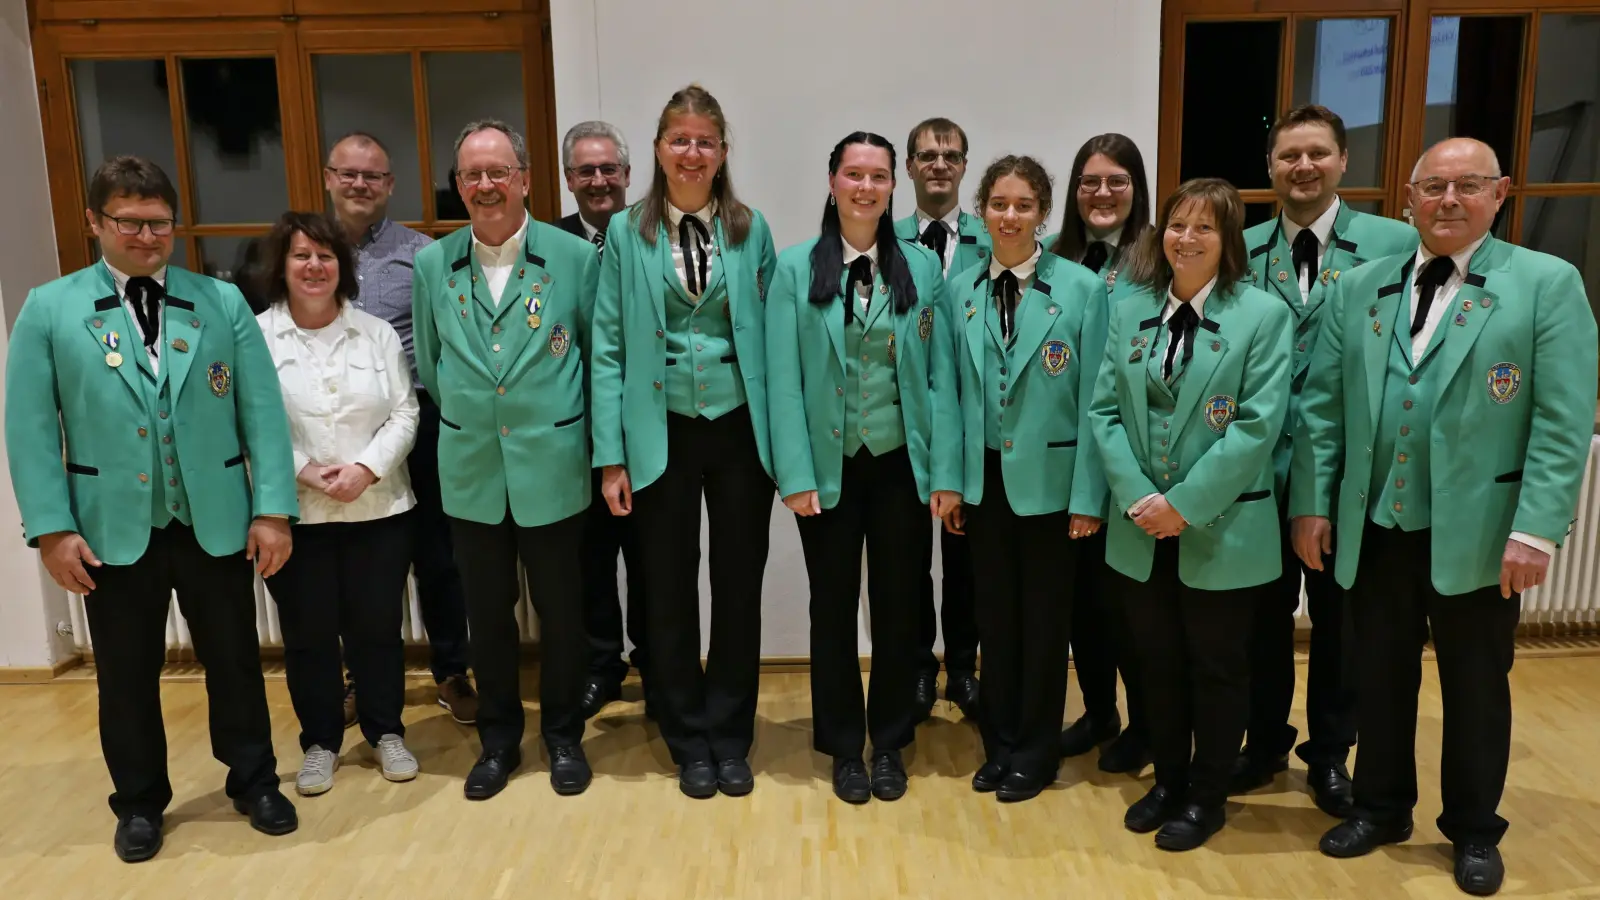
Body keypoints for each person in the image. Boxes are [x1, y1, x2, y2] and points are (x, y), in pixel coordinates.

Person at [1294, 137, 1597, 896]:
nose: (1449, 200)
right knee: (1378, 676)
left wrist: (1535, 530)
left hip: (1483, 535)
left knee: (1474, 687)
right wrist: (1313, 506)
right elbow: (1324, 412)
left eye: (1468, 186)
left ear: (1500, 194)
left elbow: (1562, 423)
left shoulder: (1544, 284)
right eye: (1434, 187)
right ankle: (1382, 806)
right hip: (1378, 527)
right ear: (1409, 197)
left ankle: (1472, 829)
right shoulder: (1360, 287)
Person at [5, 156, 300, 861]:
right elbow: (31, 430)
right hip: (111, 529)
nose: (146, 235)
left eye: (159, 222)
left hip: (215, 520)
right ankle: (138, 802)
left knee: (235, 660)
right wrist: (51, 531)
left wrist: (272, 511)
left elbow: (261, 413)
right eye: (129, 222)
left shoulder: (220, 301)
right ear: (94, 222)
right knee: (125, 673)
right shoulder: (50, 309)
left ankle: (253, 780)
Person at [1091, 177, 1292, 851]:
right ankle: (1168, 781)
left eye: (1205, 227)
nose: (1187, 238)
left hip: (1221, 530)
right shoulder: (1129, 309)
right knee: (1156, 666)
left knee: (1216, 669)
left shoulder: (1260, 316)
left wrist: (1183, 505)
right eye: (1177, 225)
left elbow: (1257, 428)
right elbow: (1104, 412)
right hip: (1140, 528)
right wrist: (1140, 498)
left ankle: (1207, 796)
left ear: (1229, 239)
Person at [591, 84, 778, 799]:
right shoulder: (626, 234)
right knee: (664, 589)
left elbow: (768, 334)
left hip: (737, 429)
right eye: (679, 140)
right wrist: (611, 455)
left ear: (722, 151)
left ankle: (730, 732)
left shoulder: (749, 229)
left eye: (705, 141)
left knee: (737, 586)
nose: (692, 153)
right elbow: (607, 345)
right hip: (656, 430)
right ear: (660, 150)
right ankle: (684, 733)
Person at [1234, 105, 1418, 813]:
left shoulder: (1394, 244)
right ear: (1271, 168)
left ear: (1344, 161)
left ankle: (1331, 751)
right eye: (1288, 156)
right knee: (1258, 620)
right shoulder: (1240, 249)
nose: (1302, 167)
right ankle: (1263, 740)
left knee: (1344, 623)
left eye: (1317, 154)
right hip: (1254, 475)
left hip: (1351, 478)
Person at [765, 132, 959, 804]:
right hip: (827, 468)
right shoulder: (795, 269)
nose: (866, 187)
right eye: (854, 174)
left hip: (902, 465)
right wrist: (793, 474)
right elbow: (782, 381)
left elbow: (939, 378)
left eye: (878, 177)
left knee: (900, 607)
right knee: (832, 608)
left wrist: (944, 473)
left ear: (892, 188)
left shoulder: (922, 269)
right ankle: (845, 745)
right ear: (832, 182)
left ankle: (892, 741)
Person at [411, 118, 600, 799]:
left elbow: (591, 356)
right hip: (472, 473)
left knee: (561, 612)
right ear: (458, 186)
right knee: (485, 618)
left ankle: (563, 737)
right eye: (472, 175)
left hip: (553, 467)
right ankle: (497, 740)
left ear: (524, 178)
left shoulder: (573, 258)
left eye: (498, 172)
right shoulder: (434, 266)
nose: (486, 186)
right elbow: (433, 369)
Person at [947, 155, 1108, 803]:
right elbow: (948, 395)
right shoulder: (959, 288)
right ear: (981, 211)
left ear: (1043, 213)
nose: (1009, 217)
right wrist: (952, 481)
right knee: (995, 621)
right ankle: (1001, 742)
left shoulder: (1081, 288)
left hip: (1053, 482)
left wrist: (1088, 495)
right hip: (983, 482)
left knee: (1044, 625)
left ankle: (1036, 753)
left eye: (1023, 205)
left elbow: (1100, 396)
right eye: (998, 204)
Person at [257, 211, 421, 795]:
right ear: (282, 265)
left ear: (342, 268)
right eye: (301, 255)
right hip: (297, 515)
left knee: (378, 629)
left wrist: (366, 467)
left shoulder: (375, 333)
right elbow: (248, 424)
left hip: (379, 509)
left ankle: (386, 732)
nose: (314, 266)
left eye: (326, 256)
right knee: (308, 635)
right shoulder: (254, 337)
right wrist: (302, 471)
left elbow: (406, 411)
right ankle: (321, 742)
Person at [323, 131, 478, 728]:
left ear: (390, 185)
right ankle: (362, 677)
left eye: (373, 176)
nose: (360, 184)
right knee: (361, 563)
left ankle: (451, 671)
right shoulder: (309, 253)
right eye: (349, 173)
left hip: (424, 420)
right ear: (330, 178)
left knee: (441, 555)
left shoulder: (424, 256)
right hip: (344, 429)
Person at [1048, 133, 1156, 776]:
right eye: (1090, 181)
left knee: (1129, 608)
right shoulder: (1056, 258)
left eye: (1117, 180)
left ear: (1136, 188)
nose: (1103, 193)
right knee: (1080, 605)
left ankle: (1146, 723)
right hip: (1066, 465)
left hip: (1131, 463)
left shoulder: (1156, 260)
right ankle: (1098, 712)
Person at [894, 116, 988, 719]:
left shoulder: (998, 235)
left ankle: (963, 666)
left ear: (964, 166)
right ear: (909, 167)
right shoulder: (883, 236)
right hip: (906, 425)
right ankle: (919, 666)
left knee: (968, 559)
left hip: (975, 423)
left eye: (950, 156)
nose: (938, 165)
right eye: (927, 156)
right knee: (907, 560)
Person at [554, 120, 649, 719]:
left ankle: (657, 663)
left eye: (608, 168)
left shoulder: (652, 235)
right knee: (588, 558)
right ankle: (601, 664)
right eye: (586, 170)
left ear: (628, 176)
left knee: (651, 559)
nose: (598, 180)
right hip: (573, 431)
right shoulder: (552, 245)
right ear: (568, 180)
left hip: (647, 429)